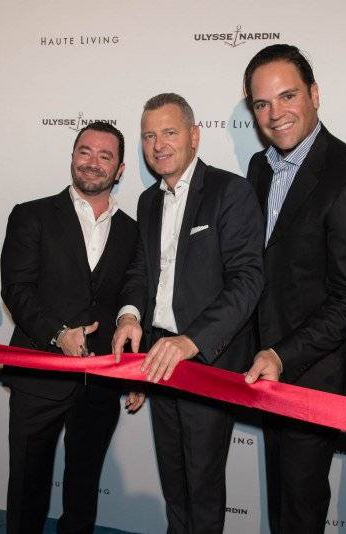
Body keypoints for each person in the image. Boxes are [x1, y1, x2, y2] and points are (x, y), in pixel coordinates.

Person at [240, 44, 346, 533]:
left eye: (287, 96)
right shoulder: (260, 167)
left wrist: (281, 355)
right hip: (266, 366)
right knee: (280, 499)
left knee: (301, 508)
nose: (275, 114)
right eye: (262, 104)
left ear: (314, 94)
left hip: (313, 375)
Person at [112, 93, 264, 534]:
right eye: (149, 136)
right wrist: (129, 316)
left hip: (205, 360)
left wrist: (192, 340)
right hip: (158, 356)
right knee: (174, 480)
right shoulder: (147, 201)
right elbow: (141, 271)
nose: (158, 144)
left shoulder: (229, 192)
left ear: (194, 136)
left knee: (202, 484)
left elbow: (248, 279)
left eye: (169, 132)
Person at [1, 121, 143, 533]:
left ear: (119, 169)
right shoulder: (31, 215)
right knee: (27, 482)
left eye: (105, 155)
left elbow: (134, 296)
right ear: (72, 157)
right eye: (85, 151)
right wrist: (58, 334)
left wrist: (135, 366)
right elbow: (17, 289)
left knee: (84, 485)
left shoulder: (132, 230)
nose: (93, 162)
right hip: (39, 374)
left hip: (100, 380)